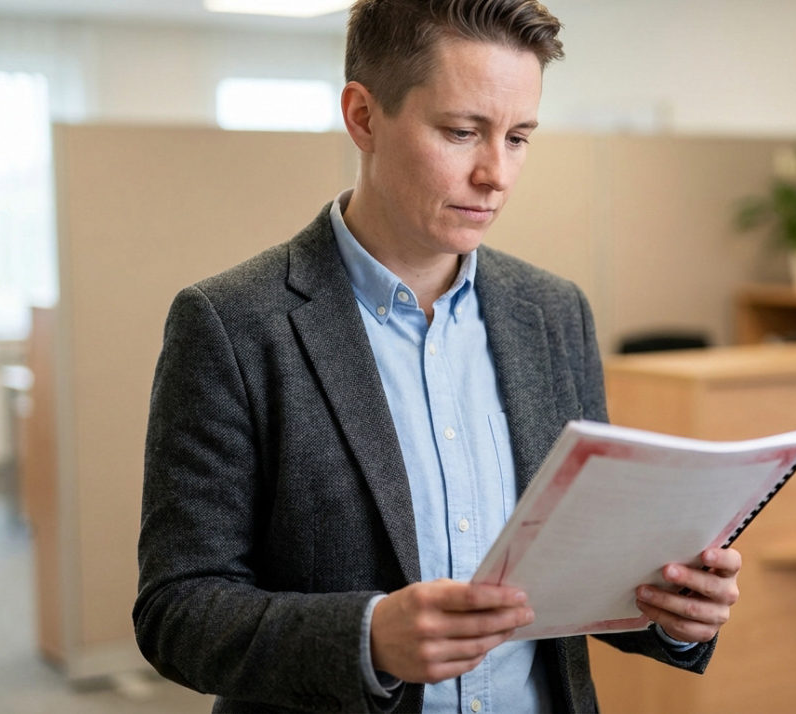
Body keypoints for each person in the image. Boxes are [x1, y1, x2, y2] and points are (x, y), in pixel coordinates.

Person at [133, 1, 743, 711]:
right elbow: (177, 609)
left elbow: (578, 575)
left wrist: (670, 613)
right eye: (462, 132)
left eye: (518, 138)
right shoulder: (233, 324)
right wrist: (365, 638)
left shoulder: (553, 313)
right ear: (363, 116)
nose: (496, 174)